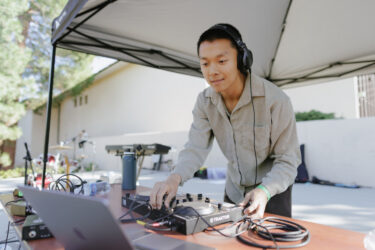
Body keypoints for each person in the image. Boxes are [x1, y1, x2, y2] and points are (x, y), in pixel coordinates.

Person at [150, 23, 301, 219]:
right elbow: (195, 148)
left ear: (241, 59)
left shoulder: (276, 101)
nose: (212, 71)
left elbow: (288, 160)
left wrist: (264, 191)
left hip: (272, 193)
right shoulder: (204, 102)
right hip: (233, 192)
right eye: (205, 63)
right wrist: (174, 178)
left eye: (221, 61)